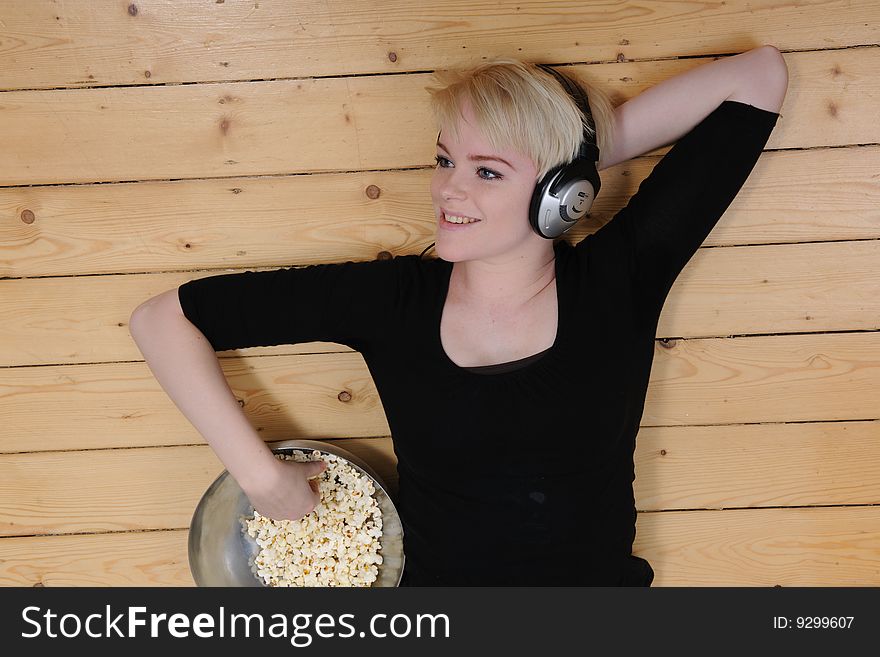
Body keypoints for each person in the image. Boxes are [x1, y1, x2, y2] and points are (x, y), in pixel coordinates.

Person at [130, 46, 787, 586]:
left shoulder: (619, 278)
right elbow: (162, 319)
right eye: (445, 160)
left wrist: (577, 158)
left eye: (488, 170)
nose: (450, 189)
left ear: (561, 191)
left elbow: (758, 77)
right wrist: (259, 474)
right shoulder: (395, 301)